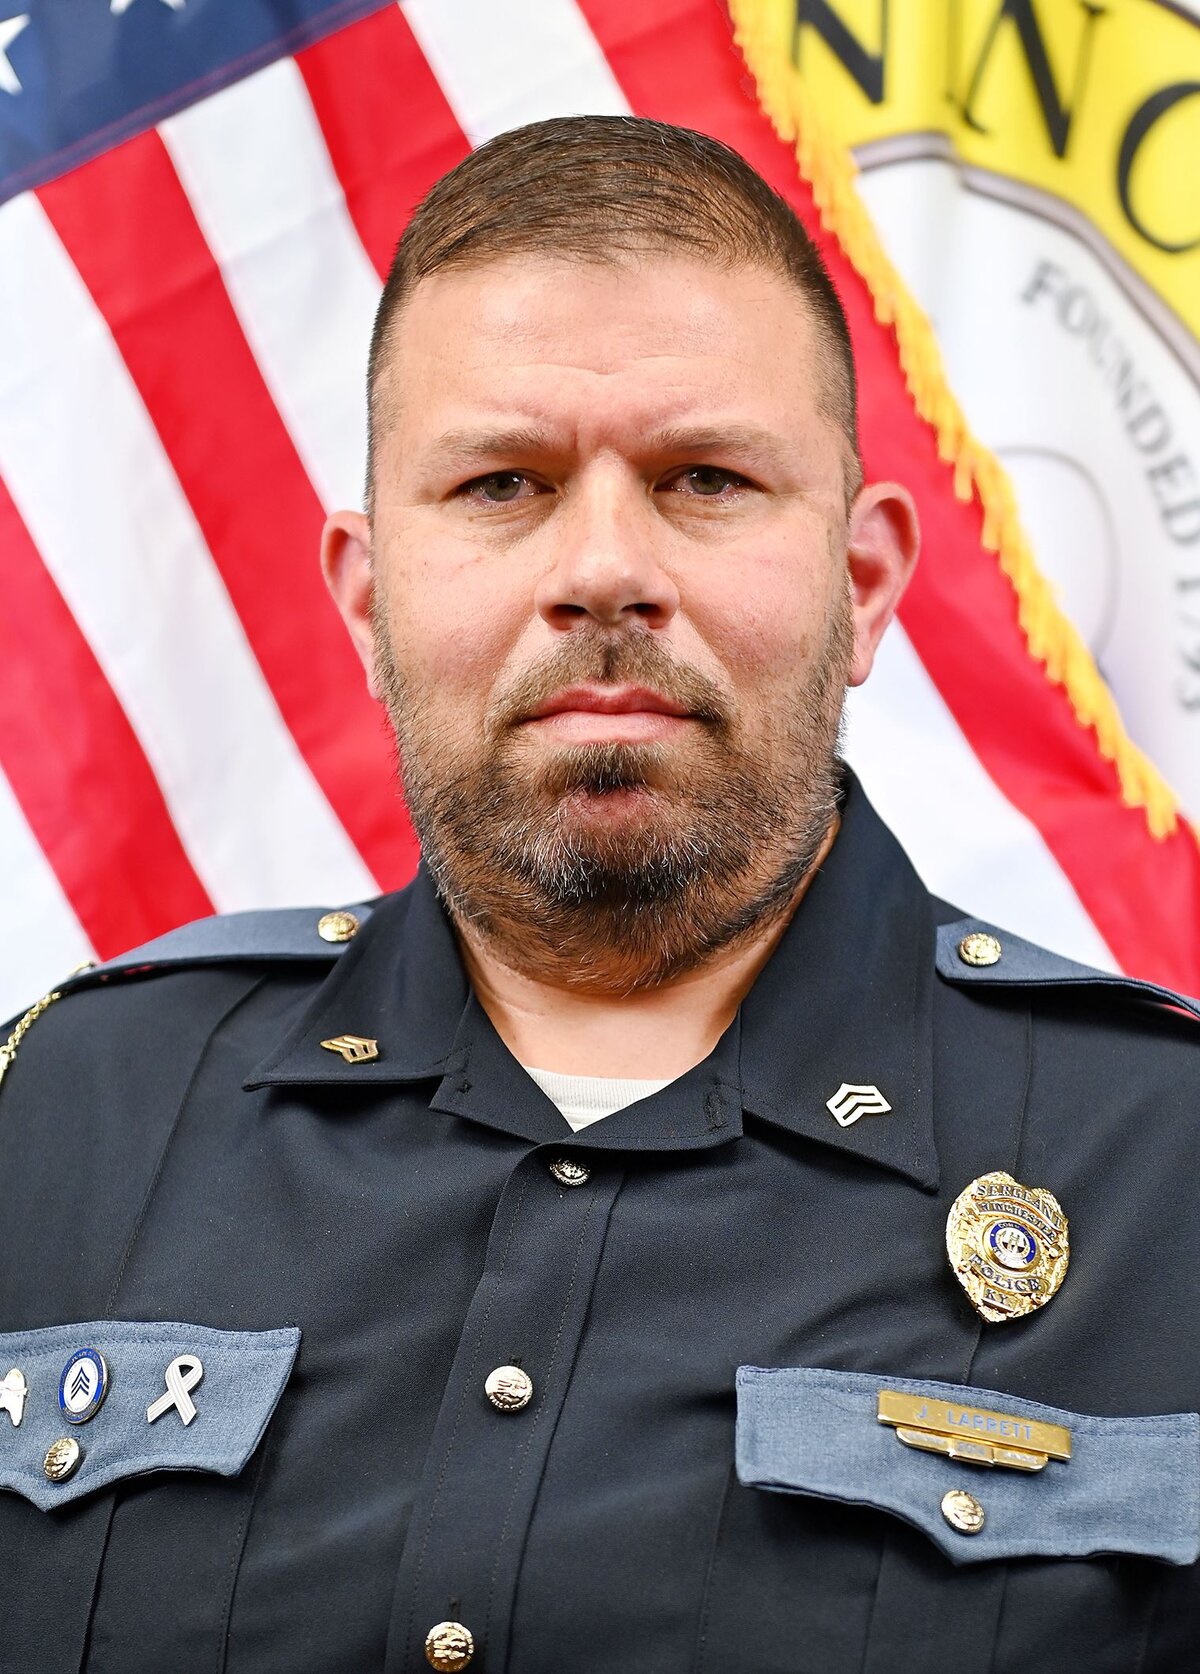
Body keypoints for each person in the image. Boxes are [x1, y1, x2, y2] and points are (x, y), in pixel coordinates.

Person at [1, 116, 1198, 1674]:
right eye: (504, 484)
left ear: (864, 584)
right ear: (368, 599)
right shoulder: (64, 1121)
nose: (606, 568)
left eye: (705, 477)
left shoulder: (1173, 1173)